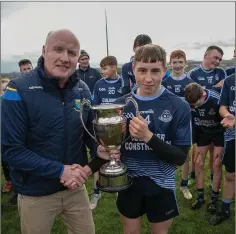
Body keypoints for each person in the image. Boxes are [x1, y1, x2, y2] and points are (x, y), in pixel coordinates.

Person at [1, 29, 118, 234]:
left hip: (75, 188)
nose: (65, 58)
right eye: (58, 50)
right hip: (35, 192)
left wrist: (98, 149)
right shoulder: (17, 89)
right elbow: (11, 150)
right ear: (44, 51)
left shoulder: (82, 89)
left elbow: (88, 131)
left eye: (72, 53)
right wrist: (60, 170)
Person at [114, 44, 192, 234]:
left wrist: (148, 137)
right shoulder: (121, 105)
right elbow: (113, 148)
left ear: (165, 70)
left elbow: (180, 157)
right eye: (142, 70)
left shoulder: (179, 105)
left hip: (162, 183)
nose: (148, 78)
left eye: (155, 71)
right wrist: (115, 145)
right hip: (128, 182)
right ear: (133, 70)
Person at [187, 45, 227, 187]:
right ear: (206, 55)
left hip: (215, 119)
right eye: (215, 57)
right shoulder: (193, 73)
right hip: (198, 120)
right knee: (197, 151)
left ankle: (212, 177)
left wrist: (206, 90)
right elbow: (193, 94)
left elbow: (223, 94)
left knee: (214, 153)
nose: (217, 61)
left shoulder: (221, 72)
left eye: (220, 59)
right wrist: (215, 87)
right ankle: (193, 175)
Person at [90, 55, 124, 209]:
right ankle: (96, 192)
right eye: (101, 68)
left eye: (104, 68)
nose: (101, 71)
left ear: (113, 67)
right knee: (98, 157)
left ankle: (119, 188)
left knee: (119, 156)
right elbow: (95, 106)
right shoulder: (98, 84)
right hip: (102, 127)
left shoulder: (123, 82)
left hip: (118, 127)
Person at [184, 83, 224, 212]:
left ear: (204, 95)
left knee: (217, 163)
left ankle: (214, 198)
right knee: (198, 163)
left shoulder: (216, 100)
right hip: (202, 132)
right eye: (192, 105)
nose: (194, 107)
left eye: (197, 104)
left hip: (219, 133)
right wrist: (195, 143)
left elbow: (225, 122)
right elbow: (193, 124)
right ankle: (200, 196)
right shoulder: (190, 102)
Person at [162, 50, 194, 200]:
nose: (177, 65)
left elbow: (195, 103)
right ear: (170, 64)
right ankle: (166, 182)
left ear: (185, 64)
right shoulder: (165, 83)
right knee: (166, 153)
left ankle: (184, 184)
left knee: (184, 155)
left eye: (181, 62)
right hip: (167, 123)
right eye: (174, 62)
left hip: (184, 124)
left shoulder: (191, 83)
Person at [209, 73, 235, 225]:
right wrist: (227, 115)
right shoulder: (230, 80)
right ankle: (225, 209)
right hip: (232, 135)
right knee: (230, 175)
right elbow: (222, 107)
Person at [1, 78, 13, 194]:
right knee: (5, 161)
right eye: (4, 90)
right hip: (4, 139)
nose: (7, 92)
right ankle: (9, 181)